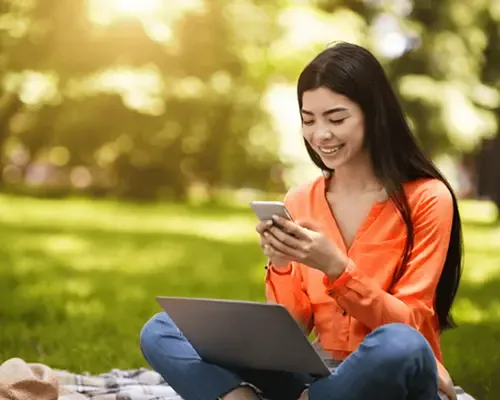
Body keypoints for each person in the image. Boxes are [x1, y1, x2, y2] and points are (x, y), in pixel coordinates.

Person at [140, 42, 463, 400]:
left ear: (374, 114)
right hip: (318, 376)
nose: (320, 134)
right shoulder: (299, 199)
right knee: (162, 329)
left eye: (336, 119)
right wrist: (280, 264)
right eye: (309, 120)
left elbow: (411, 327)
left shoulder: (428, 198)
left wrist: (336, 267)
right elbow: (294, 328)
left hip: (389, 372)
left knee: (401, 343)